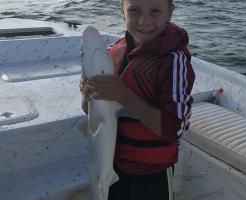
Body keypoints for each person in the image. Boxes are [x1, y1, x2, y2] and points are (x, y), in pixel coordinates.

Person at [79, 0, 195, 199]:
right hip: (111, 166)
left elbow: (175, 128)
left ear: (170, 12)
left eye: (155, 11)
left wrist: (122, 95)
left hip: (152, 174)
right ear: (122, 11)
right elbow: (89, 112)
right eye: (134, 10)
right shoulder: (111, 53)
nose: (144, 21)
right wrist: (88, 93)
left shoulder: (173, 61)